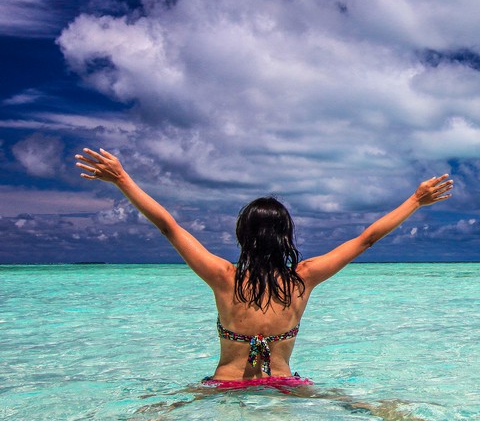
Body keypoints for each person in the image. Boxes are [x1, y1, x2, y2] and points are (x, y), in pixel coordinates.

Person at [75, 147, 453, 392]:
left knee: (164, 406)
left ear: (242, 233)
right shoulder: (303, 279)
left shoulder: (224, 277)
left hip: (224, 385)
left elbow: (168, 227)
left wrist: (123, 179)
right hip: (285, 384)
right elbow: (366, 239)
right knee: (344, 400)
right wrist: (416, 200)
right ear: (286, 236)